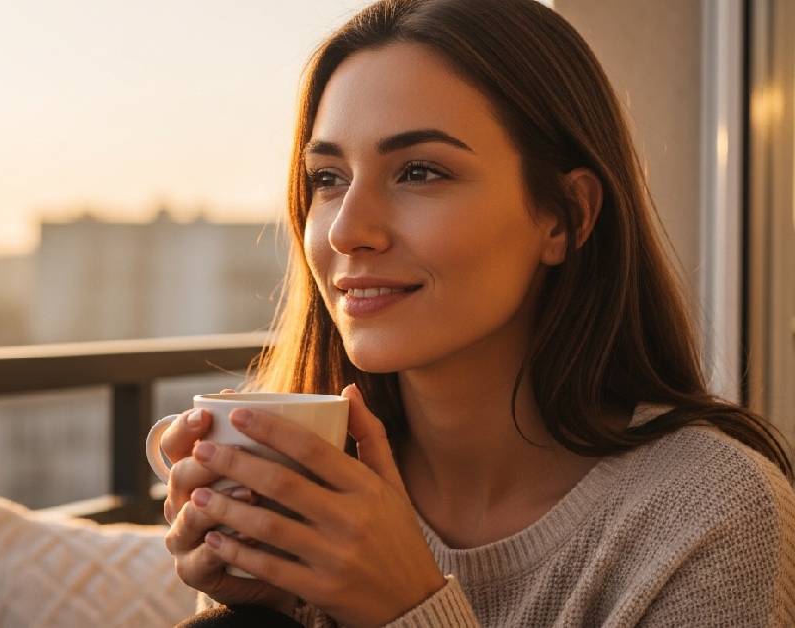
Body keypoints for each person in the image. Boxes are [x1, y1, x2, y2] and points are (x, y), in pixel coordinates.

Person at [157, 0, 795, 626]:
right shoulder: (306, 486)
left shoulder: (712, 510)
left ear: (566, 216)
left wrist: (409, 612)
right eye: (327, 178)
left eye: (420, 171)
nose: (348, 229)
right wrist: (264, 609)